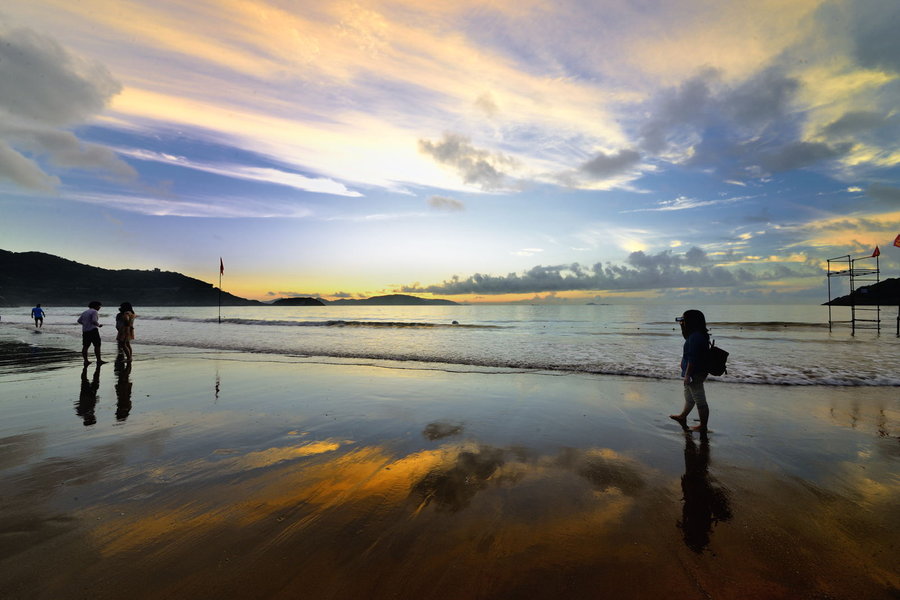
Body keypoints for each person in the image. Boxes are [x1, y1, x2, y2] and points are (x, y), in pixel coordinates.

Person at [669, 309, 711, 432]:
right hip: (696, 371)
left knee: (699, 399)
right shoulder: (698, 334)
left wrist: (687, 375)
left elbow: (693, 358)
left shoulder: (695, 337)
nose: (682, 321)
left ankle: (703, 426)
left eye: (684, 319)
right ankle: (683, 416)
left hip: (694, 373)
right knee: (689, 396)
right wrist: (682, 326)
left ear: (691, 321)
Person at [77, 301, 106, 365]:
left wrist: (85, 324)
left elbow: (79, 321)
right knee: (97, 345)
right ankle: (99, 360)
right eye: (99, 306)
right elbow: (94, 321)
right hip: (93, 330)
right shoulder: (94, 311)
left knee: (85, 346)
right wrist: (99, 325)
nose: (99, 308)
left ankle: (86, 361)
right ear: (96, 306)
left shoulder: (85, 312)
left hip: (85, 331)